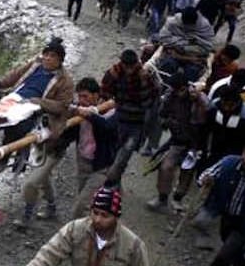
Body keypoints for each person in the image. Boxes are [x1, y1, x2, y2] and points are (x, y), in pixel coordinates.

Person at [0, 39, 74, 178]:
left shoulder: (65, 81)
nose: (47, 58)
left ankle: (4, 155)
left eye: (52, 56)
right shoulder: (36, 65)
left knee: (18, 125)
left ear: (60, 60)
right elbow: (15, 75)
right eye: (46, 54)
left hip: (35, 109)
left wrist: (39, 102)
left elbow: (62, 105)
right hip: (15, 98)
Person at [26, 187, 149, 266]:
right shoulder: (74, 229)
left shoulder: (134, 246)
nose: (97, 219)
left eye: (105, 216)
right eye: (95, 212)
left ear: (116, 218)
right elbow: (48, 255)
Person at [195, 138, 245, 266]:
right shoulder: (228, 162)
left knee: (223, 257)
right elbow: (208, 174)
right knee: (231, 248)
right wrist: (206, 180)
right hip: (227, 216)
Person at [145, 72, 207, 213]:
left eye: (181, 90)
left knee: (187, 171)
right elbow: (161, 115)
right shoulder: (170, 96)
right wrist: (170, 122)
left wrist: (198, 101)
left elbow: (204, 119)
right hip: (177, 140)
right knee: (166, 167)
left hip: (195, 143)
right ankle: (162, 198)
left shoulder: (199, 98)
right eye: (176, 90)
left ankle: (178, 198)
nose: (179, 93)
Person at [63, 78, 119, 219]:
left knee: (80, 207)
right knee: (87, 199)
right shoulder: (79, 109)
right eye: (80, 96)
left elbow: (107, 127)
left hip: (101, 165)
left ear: (96, 95)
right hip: (82, 160)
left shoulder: (111, 110)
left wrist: (90, 114)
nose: (82, 100)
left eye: (85, 96)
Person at [100, 50, 158, 184]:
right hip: (118, 118)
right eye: (127, 67)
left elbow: (148, 101)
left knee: (125, 153)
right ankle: (114, 182)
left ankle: (111, 181)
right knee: (114, 150)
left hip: (137, 122)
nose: (129, 70)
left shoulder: (144, 76)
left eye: (132, 67)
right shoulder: (113, 73)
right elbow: (105, 92)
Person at [200, 84, 245, 168]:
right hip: (215, 151)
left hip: (236, 156)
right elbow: (206, 129)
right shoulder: (215, 105)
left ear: (238, 102)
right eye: (224, 104)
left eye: (230, 105)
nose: (227, 108)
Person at [158, 6, 215, 81]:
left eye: (190, 26)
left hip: (193, 58)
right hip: (174, 53)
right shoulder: (173, 22)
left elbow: (206, 47)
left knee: (192, 72)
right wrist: (186, 42)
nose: (187, 28)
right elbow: (164, 38)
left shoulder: (205, 27)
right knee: (168, 65)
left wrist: (185, 48)